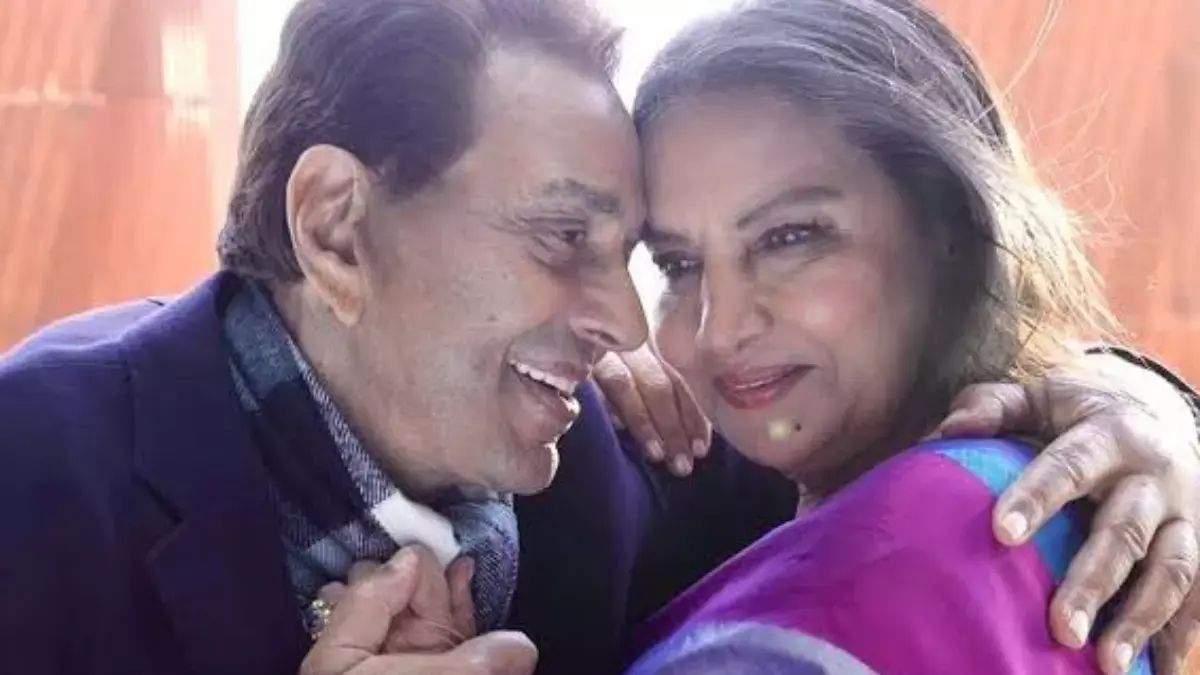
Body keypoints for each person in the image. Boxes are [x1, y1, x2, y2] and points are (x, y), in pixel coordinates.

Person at [0, 1, 1197, 674]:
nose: (633, 325)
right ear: (334, 228)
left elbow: (896, 433)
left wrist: (1144, 408)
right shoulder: (39, 476)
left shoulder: (634, 446)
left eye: (636, 255)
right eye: (564, 237)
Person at [617, 1, 1200, 673]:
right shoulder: (705, 463)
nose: (718, 329)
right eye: (677, 264)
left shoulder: (924, 543)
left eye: (790, 238)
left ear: (947, 226)